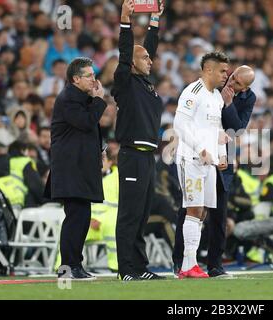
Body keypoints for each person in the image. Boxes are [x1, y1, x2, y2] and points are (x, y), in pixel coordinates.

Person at [172, 65, 256, 277]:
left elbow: (236, 129)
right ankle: (181, 262)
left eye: (237, 82)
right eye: (232, 76)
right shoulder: (212, 86)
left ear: (245, 88)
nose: (231, 81)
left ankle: (215, 265)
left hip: (222, 160)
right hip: (198, 155)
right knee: (191, 209)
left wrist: (228, 105)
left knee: (219, 214)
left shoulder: (248, 99)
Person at [111, 0, 166, 281]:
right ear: (132, 63)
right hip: (132, 154)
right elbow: (125, 53)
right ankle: (126, 270)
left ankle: (140, 267)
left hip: (148, 157)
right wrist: (125, 21)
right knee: (130, 215)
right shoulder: (124, 81)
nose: (150, 60)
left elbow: (149, 49)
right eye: (144, 58)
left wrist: (155, 20)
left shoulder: (146, 84)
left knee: (142, 214)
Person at [45, 57, 107, 280]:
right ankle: (68, 268)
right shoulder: (69, 98)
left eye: (94, 74)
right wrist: (99, 101)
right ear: (76, 79)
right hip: (71, 169)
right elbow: (85, 122)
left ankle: (75, 266)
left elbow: (87, 130)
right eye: (89, 75)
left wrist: (101, 148)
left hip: (80, 167)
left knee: (81, 217)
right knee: (75, 218)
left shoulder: (80, 97)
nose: (94, 79)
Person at [173, 51, 230, 279]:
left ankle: (190, 264)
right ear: (209, 70)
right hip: (191, 158)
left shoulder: (216, 97)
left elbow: (218, 131)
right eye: (222, 71)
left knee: (202, 211)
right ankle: (189, 265)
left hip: (209, 162)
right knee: (194, 209)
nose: (226, 75)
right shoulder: (193, 91)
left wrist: (221, 154)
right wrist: (200, 149)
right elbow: (179, 123)